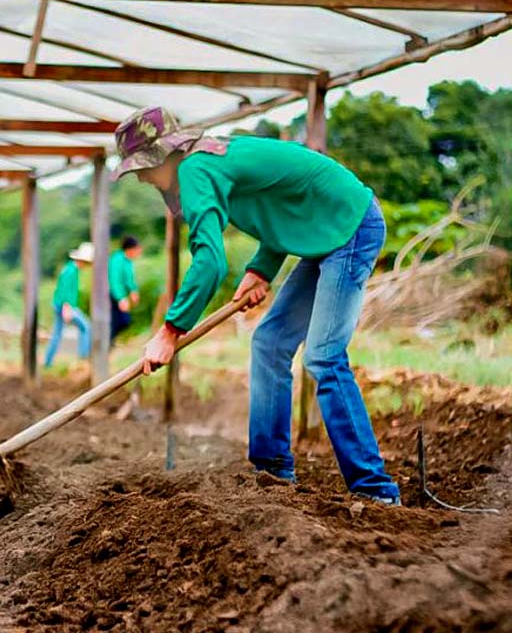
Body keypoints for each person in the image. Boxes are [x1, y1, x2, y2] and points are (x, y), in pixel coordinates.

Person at [111, 106, 400, 506]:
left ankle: (375, 489)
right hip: (322, 228)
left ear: (162, 155)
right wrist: (261, 269)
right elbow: (282, 204)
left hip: (348, 227)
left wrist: (170, 331)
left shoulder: (195, 171)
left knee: (323, 358)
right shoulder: (210, 158)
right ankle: (271, 470)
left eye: (141, 168)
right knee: (269, 341)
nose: (141, 178)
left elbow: (211, 261)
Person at [44, 242, 93, 368]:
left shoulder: (70, 268)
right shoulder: (71, 271)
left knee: (57, 334)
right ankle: (83, 356)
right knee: (86, 327)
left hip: (61, 304)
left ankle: (48, 362)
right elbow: (65, 290)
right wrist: (67, 308)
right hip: (65, 305)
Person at [109, 236, 142, 341]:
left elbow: (129, 279)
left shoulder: (128, 261)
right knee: (118, 321)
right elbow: (115, 281)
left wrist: (134, 290)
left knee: (124, 321)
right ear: (130, 249)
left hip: (119, 294)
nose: (139, 251)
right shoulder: (117, 260)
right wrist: (121, 298)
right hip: (112, 295)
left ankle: (110, 343)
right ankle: (107, 345)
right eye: (137, 249)